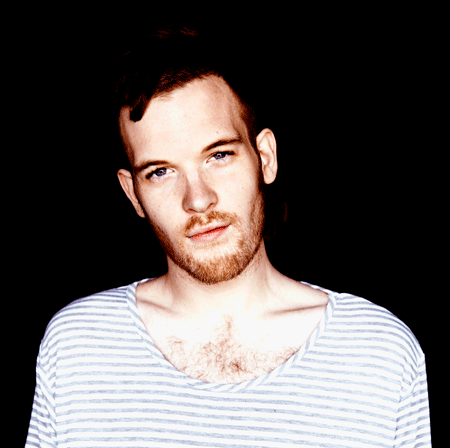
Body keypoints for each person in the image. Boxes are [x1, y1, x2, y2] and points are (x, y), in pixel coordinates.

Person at [26, 28, 431, 447]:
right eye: (160, 172)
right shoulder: (79, 346)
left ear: (265, 158)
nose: (198, 200)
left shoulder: (379, 353)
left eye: (219, 155)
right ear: (133, 194)